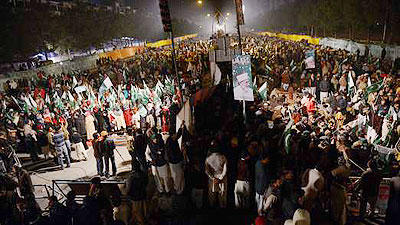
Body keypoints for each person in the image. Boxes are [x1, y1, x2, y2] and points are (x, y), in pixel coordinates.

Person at [205, 140, 228, 208]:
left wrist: (213, 178)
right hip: (222, 178)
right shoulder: (223, 157)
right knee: (222, 194)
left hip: (212, 179)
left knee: (212, 194)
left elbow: (207, 171)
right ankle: (222, 208)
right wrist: (220, 178)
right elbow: (225, 170)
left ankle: (212, 208)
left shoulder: (208, 159)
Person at [165, 124, 185, 194]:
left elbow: (179, 135)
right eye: (175, 133)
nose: (177, 135)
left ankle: (180, 189)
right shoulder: (169, 143)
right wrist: (181, 153)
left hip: (177, 161)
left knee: (179, 176)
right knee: (177, 177)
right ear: (172, 135)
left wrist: (181, 127)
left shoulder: (173, 139)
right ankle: (178, 191)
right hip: (174, 162)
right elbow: (173, 155)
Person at [126, 160, 148, 225]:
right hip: (143, 195)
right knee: (144, 211)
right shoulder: (143, 175)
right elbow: (146, 183)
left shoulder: (131, 177)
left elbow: (128, 188)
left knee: (137, 212)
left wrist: (129, 194)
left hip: (135, 197)